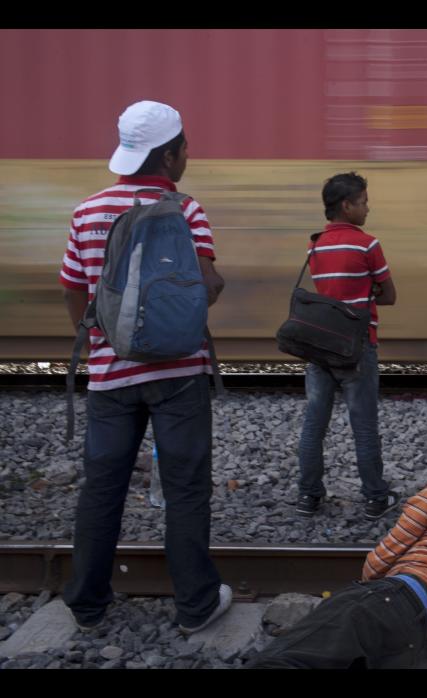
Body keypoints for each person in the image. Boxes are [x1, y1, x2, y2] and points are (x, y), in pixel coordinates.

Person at [59, 100, 230, 634]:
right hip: (179, 374)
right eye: (184, 149)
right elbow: (205, 284)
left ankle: (87, 605)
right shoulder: (186, 209)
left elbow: (72, 285)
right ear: (172, 154)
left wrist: (94, 341)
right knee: (184, 488)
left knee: (102, 486)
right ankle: (196, 605)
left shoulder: (87, 211)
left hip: (111, 377)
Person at [248, 419, 427, 669]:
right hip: (421, 632)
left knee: (286, 658)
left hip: (394, 598)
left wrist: (370, 586)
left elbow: (383, 556)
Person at [295, 172, 399, 520]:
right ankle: (374, 498)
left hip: (319, 346)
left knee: (314, 424)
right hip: (358, 346)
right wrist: (364, 297)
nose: (368, 208)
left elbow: (328, 293)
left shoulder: (314, 245)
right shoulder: (368, 245)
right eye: (364, 202)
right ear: (347, 205)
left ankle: (309, 496)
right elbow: (390, 296)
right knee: (364, 426)